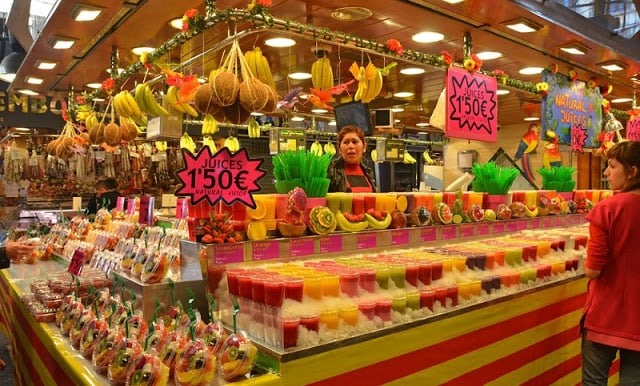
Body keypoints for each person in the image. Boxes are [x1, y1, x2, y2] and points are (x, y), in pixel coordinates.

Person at [582, 140, 640, 385]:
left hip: (605, 316)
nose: (606, 172)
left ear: (633, 171)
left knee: (594, 382)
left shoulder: (607, 209)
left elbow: (593, 270)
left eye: (612, 166)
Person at [327, 125, 377, 193]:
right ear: (339, 149)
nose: (350, 146)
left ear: (364, 147)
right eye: (346, 142)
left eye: (355, 142)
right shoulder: (331, 171)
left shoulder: (368, 172)